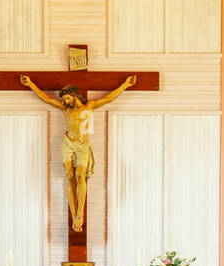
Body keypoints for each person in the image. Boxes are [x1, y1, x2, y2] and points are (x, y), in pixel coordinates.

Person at [18, 74, 137, 232]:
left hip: (82, 146)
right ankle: (74, 214)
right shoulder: (65, 109)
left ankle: (80, 211)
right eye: (64, 99)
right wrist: (30, 84)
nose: (65, 101)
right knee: (69, 176)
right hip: (68, 143)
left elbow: (109, 98)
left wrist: (125, 85)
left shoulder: (90, 106)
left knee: (80, 176)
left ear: (74, 96)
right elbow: (46, 99)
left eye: (67, 98)